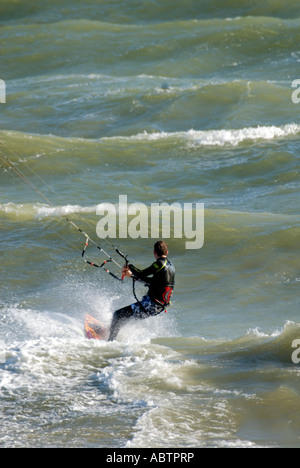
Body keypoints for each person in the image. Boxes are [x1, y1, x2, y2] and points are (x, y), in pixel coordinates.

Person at [108, 241, 175, 341]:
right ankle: (111, 330)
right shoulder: (171, 267)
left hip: (150, 305)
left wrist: (130, 266)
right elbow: (152, 282)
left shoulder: (159, 264)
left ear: (154, 252)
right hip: (158, 307)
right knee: (124, 316)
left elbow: (141, 274)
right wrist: (131, 275)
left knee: (118, 315)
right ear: (167, 252)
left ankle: (110, 342)